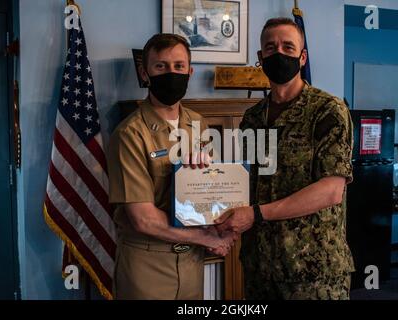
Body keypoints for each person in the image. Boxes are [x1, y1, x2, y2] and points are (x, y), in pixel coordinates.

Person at [215, 18, 355, 300]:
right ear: (260, 58)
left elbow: (331, 191)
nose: (279, 53)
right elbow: (246, 183)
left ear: (302, 57)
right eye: (271, 47)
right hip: (260, 268)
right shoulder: (252, 118)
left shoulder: (327, 111)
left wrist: (256, 214)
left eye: (288, 47)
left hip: (313, 273)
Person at [107, 33, 234, 300]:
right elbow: (143, 219)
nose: (171, 73)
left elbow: (208, 200)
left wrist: (219, 225)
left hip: (191, 264)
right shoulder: (130, 133)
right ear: (145, 73)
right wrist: (207, 238)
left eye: (178, 66)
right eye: (160, 66)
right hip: (148, 265)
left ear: (190, 72)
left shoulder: (198, 124)